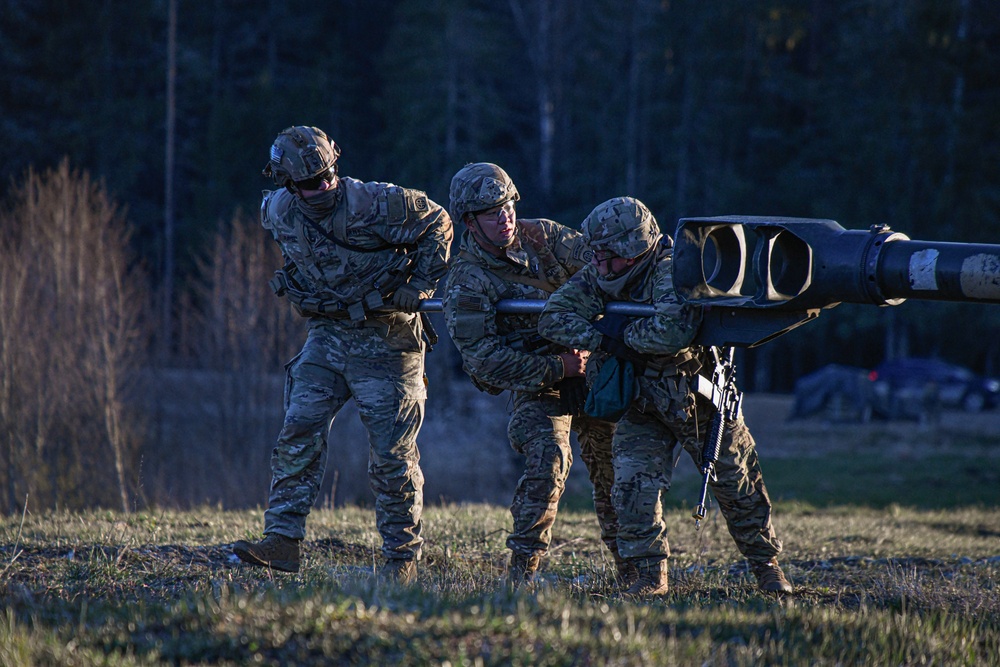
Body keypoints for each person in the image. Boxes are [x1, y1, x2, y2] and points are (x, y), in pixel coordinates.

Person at [538, 197, 792, 597]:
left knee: (736, 482)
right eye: (596, 254)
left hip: (698, 402)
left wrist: (618, 337)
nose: (598, 263)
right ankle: (648, 576)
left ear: (631, 248)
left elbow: (672, 333)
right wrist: (605, 338)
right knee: (631, 487)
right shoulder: (600, 275)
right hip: (643, 402)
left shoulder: (672, 271)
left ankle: (767, 568)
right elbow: (553, 318)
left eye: (606, 253)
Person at [232, 126, 452, 583]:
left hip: (388, 336)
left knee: (392, 454)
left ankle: (401, 560)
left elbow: (439, 223)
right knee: (298, 428)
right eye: (311, 182)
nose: (325, 185)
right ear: (288, 184)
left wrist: (421, 283)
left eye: (330, 174)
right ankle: (283, 541)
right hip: (329, 335)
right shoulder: (277, 212)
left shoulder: (378, 203)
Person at [442, 162, 622, 587]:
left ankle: (635, 570)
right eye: (491, 212)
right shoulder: (467, 280)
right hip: (539, 386)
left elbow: (602, 267)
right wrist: (556, 367)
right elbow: (484, 360)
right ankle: (521, 575)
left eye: (507, 206)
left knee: (619, 467)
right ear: (469, 222)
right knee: (549, 458)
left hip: (593, 369)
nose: (505, 218)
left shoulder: (542, 235)